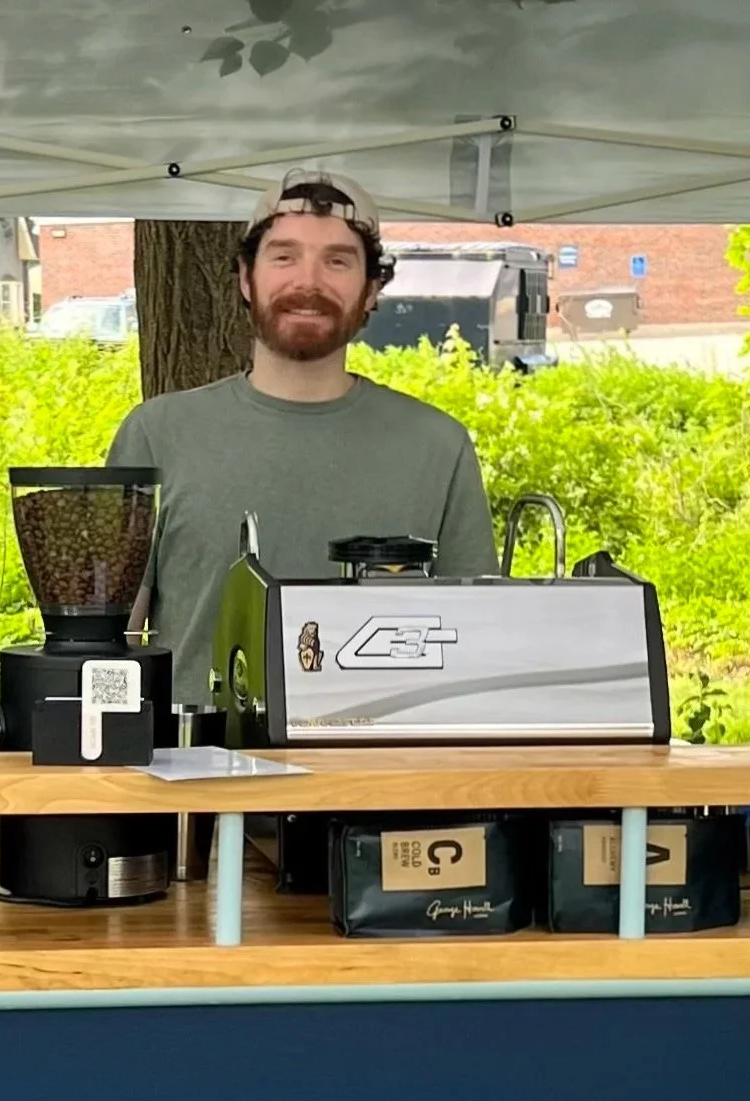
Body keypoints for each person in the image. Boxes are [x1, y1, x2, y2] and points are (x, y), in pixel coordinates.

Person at [107, 169, 497, 707]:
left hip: (386, 758)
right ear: (246, 279)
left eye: (337, 261)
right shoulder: (156, 434)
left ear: (372, 290)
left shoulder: (439, 446)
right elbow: (110, 644)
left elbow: (475, 646)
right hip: (199, 757)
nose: (308, 282)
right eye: (284, 257)